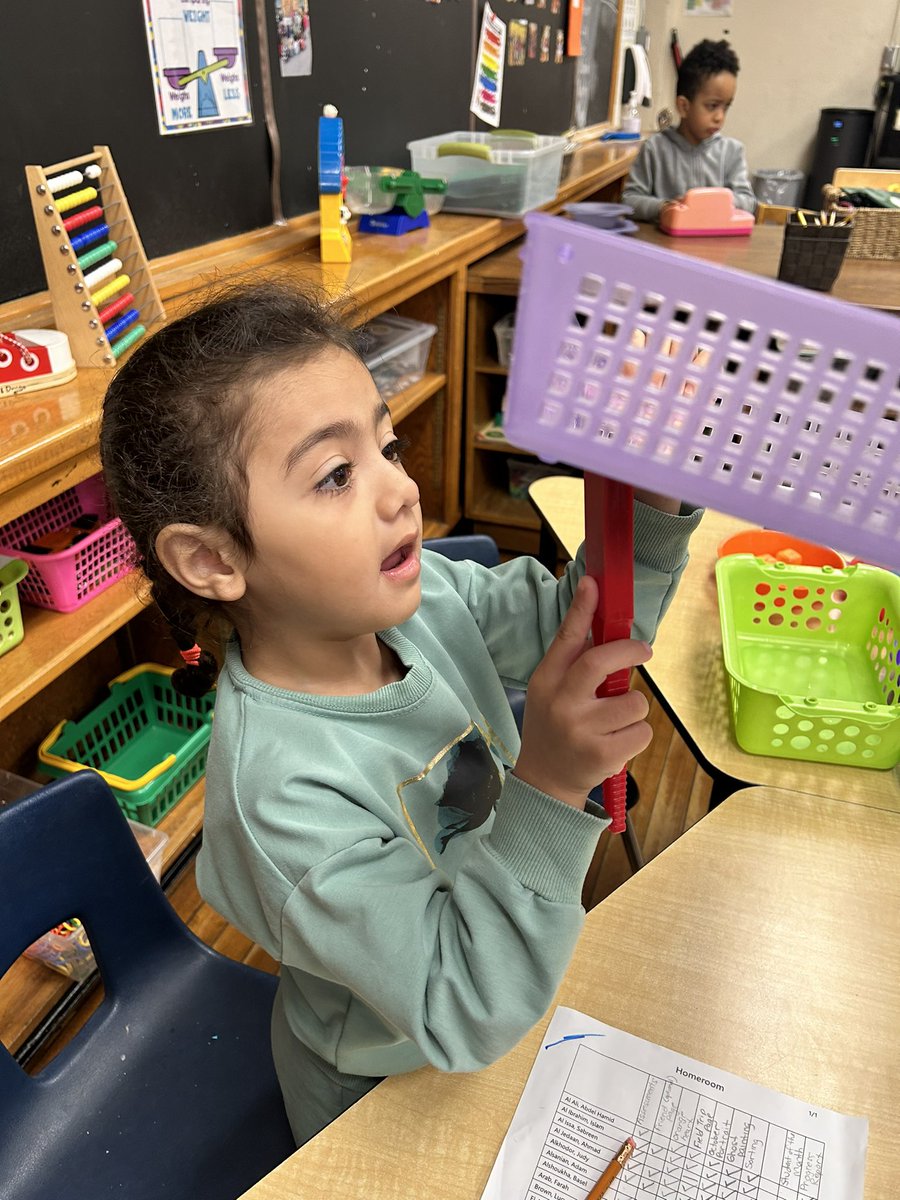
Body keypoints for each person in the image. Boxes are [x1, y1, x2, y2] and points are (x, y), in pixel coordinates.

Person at [99, 280, 703, 1147]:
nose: (400, 493)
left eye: (389, 445)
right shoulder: (278, 796)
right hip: (378, 1087)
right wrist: (550, 784)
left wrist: (650, 507)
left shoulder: (421, 601)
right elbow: (459, 1002)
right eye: (337, 474)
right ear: (212, 557)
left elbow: (580, 628)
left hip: (505, 974)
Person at [622, 38, 757, 224]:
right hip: (667, 246)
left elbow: (749, 202)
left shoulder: (732, 152)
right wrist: (665, 207)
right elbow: (629, 200)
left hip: (716, 247)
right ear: (684, 106)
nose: (720, 117)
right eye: (712, 106)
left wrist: (711, 202)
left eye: (725, 107)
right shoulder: (655, 149)